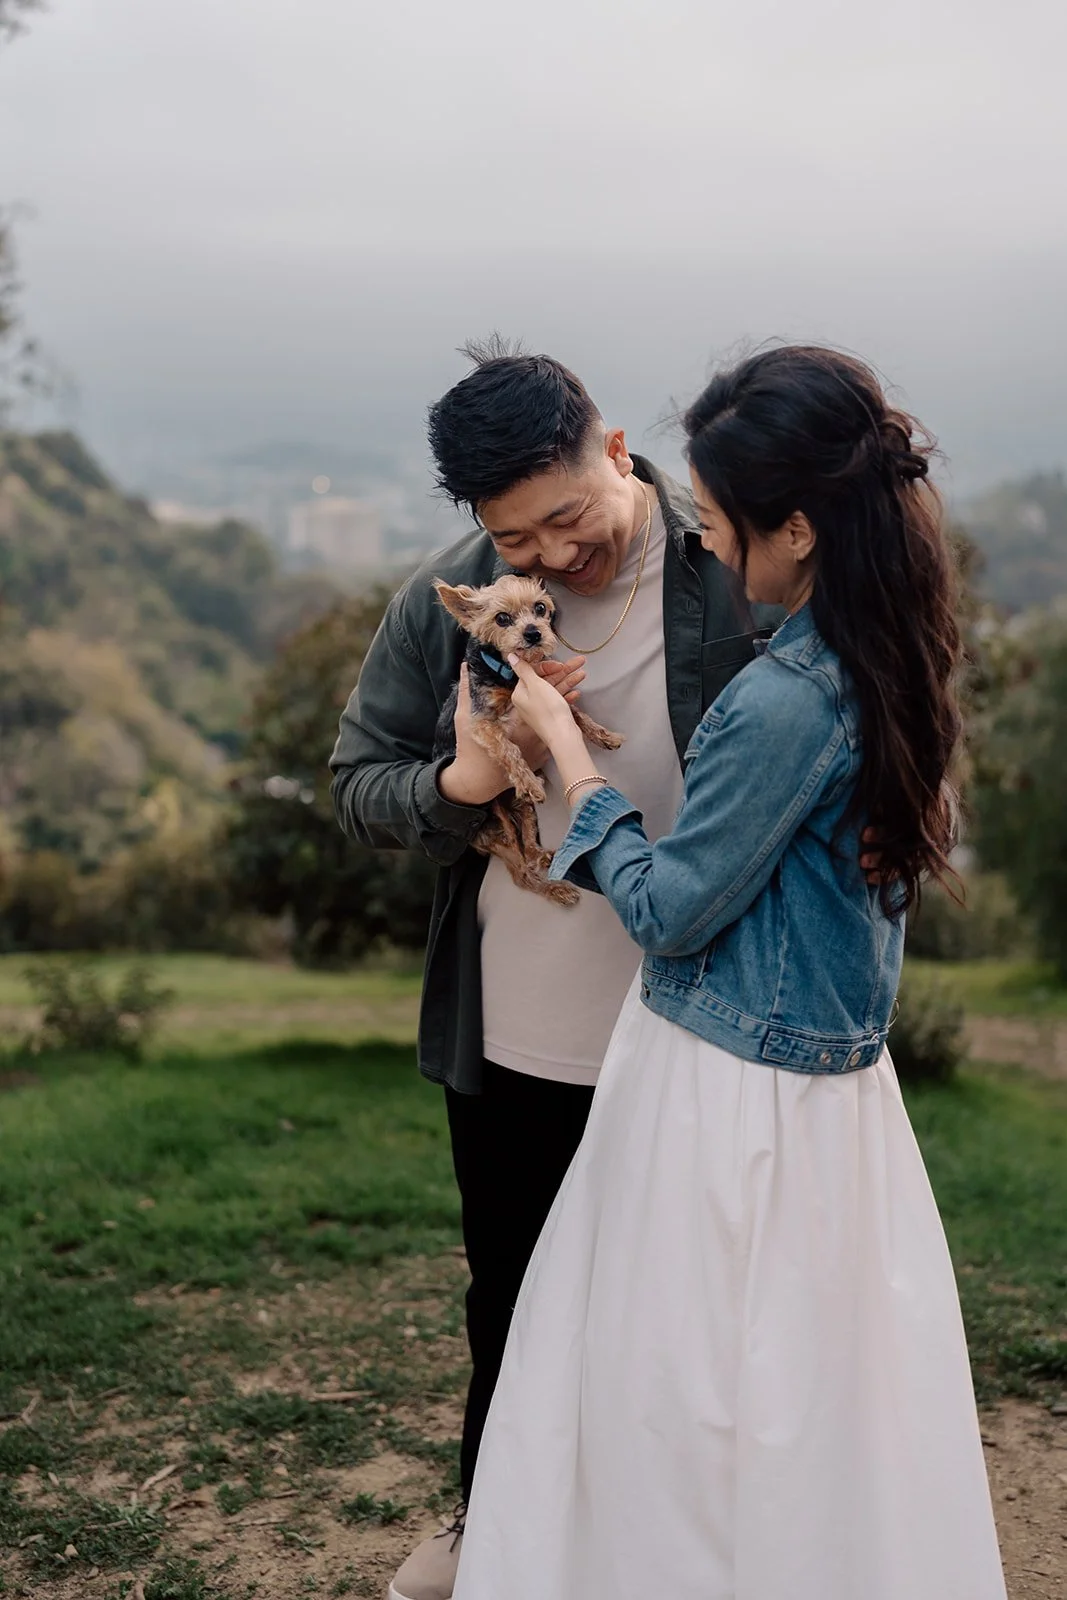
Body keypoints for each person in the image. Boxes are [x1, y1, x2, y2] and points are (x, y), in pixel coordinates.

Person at [449, 345, 1007, 1600]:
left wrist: (560, 754)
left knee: (675, 1396)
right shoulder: (892, 652)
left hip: (721, 1099)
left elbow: (667, 907)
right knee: (809, 1397)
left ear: (795, 528)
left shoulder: (784, 699)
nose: (701, 541)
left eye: (714, 518)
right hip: (832, 1097)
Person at [329, 341, 784, 1600]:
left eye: (568, 518)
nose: (551, 559)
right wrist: (461, 783)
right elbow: (355, 784)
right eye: (517, 541)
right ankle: (497, 1525)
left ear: (619, 452)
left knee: (694, 1315)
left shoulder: (734, 567)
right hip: (518, 1025)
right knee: (515, 1299)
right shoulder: (451, 595)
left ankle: (691, 1548)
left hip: (707, 1018)